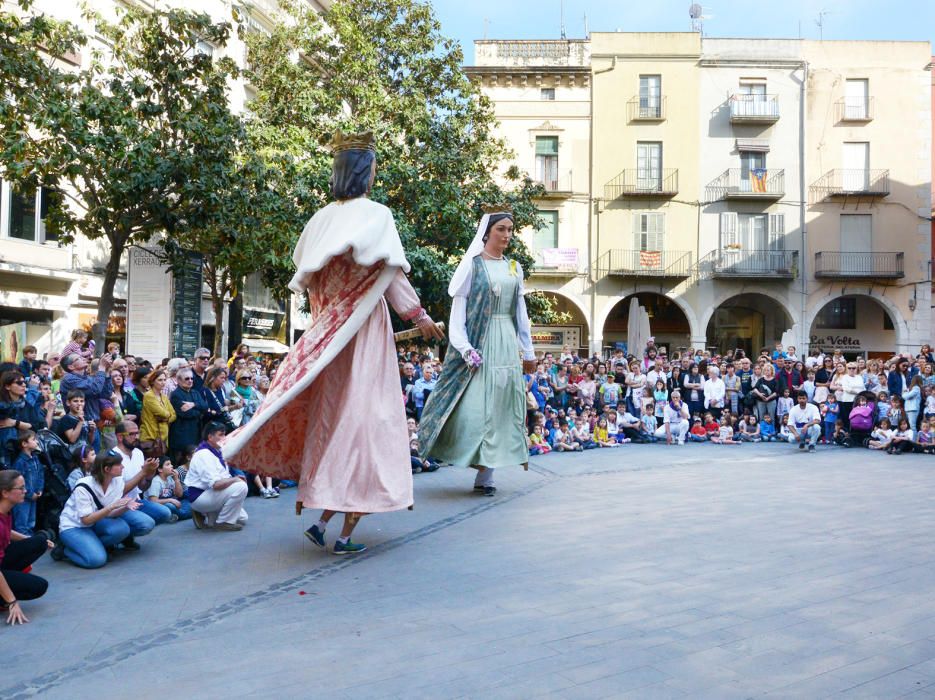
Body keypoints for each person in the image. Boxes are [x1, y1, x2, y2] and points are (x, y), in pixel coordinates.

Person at [222, 131, 442, 553]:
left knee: (332, 417)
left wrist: (329, 323)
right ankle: (341, 532)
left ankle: (323, 517)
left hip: (326, 335)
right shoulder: (377, 216)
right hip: (364, 334)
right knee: (366, 424)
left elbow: (313, 288)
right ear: (365, 171)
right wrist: (419, 316)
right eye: (374, 167)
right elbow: (390, 275)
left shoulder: (319, 221)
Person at [419, 204, 536, 499]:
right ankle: (460, 453)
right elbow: (457, 314)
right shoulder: (472, 265)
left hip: (506, 343)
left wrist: (529, 350)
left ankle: (487, 474)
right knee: (477, 410)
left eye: (510, 230)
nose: (507, 235)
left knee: (500, 408)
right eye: (501, 229)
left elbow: (519, 312)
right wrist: (465, 348)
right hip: (481, 343)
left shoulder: (514, 267)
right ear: (486, 233)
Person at [55, 452, 156, 568]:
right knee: (97, 560)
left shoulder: (117, 482)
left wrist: (125, 507)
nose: (122, 467)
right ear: (107, 469)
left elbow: (111, 514)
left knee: (122, 529)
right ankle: (66, 550)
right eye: (119, 464)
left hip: (95, 522)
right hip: (74, 526)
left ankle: (92, 546)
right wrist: (112, 507)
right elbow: (86, 520)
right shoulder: (83, 486)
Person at [0, 469, 52, 625]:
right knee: (38, 586)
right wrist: (11, 601)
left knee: (39, 541)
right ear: (5, 493)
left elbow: (7, 531)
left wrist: (29, 540)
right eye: (21, 488)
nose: (25, 491)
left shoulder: (5, 511)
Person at [186, 423, 248, 531]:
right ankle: (223, 522)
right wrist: (235, 479)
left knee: (243, 519)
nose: (224, 438)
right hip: (200, 496)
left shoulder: (217, 451)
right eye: (221, 435)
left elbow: (223, 478)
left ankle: (208, 515)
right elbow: (216, 485)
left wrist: (234, 479)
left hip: (212, 494)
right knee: (241, 486)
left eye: (224, 434)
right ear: (210, 437)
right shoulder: (203, 454)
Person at [111, 421, 172, 528]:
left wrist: (150, 474)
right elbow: (119, 491)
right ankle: (123, 534)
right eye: (132, 434)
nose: (137, 437)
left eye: (137, 433)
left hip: (136, 500)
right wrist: (143, 472)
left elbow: (142, 487)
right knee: (146, 523)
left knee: (165, 513)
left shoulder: (138, 453)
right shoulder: (113, 457)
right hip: (119, 505)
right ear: (120, 437)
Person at [58, 352, 113, 451]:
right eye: (78, 358)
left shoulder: (88, 378)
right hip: (78, 427)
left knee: (94, 461)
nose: (83, 358)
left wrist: (107, 372)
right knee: (85, 462)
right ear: (70, 366)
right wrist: (101, 368)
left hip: (93, 425)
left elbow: (106, 394)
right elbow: (95, 389)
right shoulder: (68, 379)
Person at [0, 370, 44, 468]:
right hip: (6, 451)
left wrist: (15, 423)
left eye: (24, 382)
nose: (24, 385)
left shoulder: (26, 404)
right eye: (19, 383)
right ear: (7, 386)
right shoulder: (2, 407)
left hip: (24, 451)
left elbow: (35, 427)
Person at [168, 368, 206, 462]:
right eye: (187, 379)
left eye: (192, 378)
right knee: (181, 462)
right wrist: (199, 410)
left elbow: (205, 406)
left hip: (196, 433)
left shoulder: (195, 392)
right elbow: (186, 414)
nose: (190, 381)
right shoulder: (176, 394)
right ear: (179, 380)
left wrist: (193, 404)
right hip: (182, 434)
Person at [11, 431, 42, 536]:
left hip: (34, 496)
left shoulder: (35, 458)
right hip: (22, 499)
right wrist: (29, 494)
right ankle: (24, 545)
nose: (37, 441)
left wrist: (39, 489)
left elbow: (40, 474)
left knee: (31, 522)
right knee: (22, 524)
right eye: (33, 439)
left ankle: (30, 543)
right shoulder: (20, 462)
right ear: (24, 444)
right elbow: (18, 482)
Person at [140, 369, 176, 458]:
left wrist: (167, 418)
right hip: (150, 436)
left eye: (164, 380)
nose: (163, 382)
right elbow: (164, 413)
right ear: (152, 381)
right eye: (160, 380)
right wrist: (167, 416)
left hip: (163, 437)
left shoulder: (164, 397)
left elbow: (174, 415)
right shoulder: (148, 395)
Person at [146, 456, 190, 521]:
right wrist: (170, 500)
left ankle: (180, 514)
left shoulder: (170, 478)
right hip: (159, 506)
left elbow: (179, 495)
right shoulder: (156, 481)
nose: (171, 466)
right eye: (168, 464)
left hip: (173, 503)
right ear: (160, 469)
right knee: (170, 506)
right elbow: (153, 501)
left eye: (171, 464)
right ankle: (187, 513)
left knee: (189, 496)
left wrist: (176, 479)